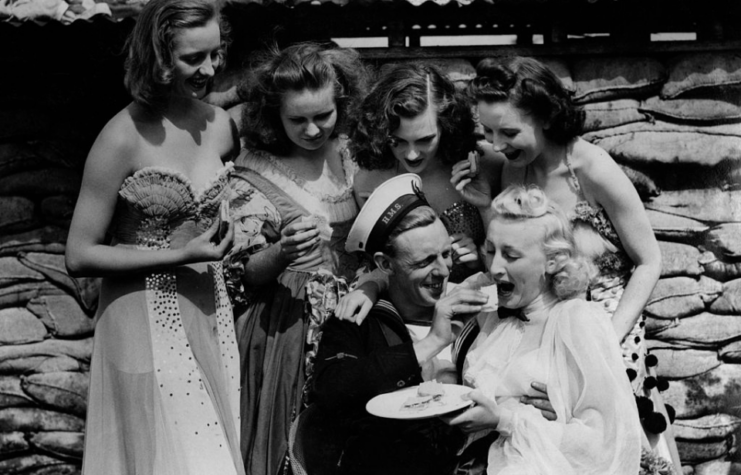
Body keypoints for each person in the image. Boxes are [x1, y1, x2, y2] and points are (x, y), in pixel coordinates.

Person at [451, 56, 677, 466]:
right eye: (487, 131)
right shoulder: (510, 171)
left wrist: (607, 341)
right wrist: (485, 209)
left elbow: (649, 261)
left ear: (545, 117)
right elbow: (513, 255)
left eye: (509, 132)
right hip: (544, 338)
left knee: (610, 445)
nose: (496, 145)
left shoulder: (589, 167)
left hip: (607, 331)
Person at [64, 1, 243, 474]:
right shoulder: (120, 137)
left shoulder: (220, 126)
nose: (209, 68)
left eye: (216, 53)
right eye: (193, 58)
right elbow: (79, 254)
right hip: (141, 319)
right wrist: (180, 254)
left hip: (210, 312)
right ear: (159, 58)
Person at [223, 42, 369, 475]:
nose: (311, 130)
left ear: (341, 103)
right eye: (297, 119)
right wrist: (282, 251)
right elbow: (240, 275)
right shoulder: (255, 170)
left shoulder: (356, 154)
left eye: (323, 115)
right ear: (273, 114)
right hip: (289, 330)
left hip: (361, 316)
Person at [445, 185, 642, 474]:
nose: (496, 267)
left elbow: (604, 443)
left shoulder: (576, 321)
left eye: (511, 256)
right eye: (490, 251)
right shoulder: (493, 315)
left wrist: (506, 420)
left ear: (553, 261)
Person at [306, 174, 489, 475]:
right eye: (424, 262)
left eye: (446, 254)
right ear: (385, 264)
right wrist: (430, 343)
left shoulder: (473, 301)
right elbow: (332, 391)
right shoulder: (357, 318)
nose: (443, 271)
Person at [350, 62, 487, 283]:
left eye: (425, 140)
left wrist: (479, 259)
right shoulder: (369, 180)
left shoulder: (478, 168)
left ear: (447, 124)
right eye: (397, 141)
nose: (412, 154)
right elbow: (371, 263)